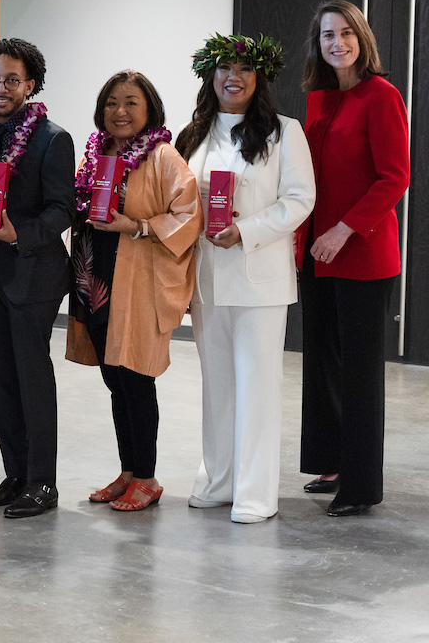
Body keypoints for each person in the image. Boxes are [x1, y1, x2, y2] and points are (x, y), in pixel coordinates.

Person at [176, 34, 315, 523]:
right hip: (206, 280)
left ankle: (256, 494)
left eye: (244, 71)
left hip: (258, 279)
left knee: (256, 387)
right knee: (216, 386)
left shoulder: (284, 132)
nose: (233, 78)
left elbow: (300, 200)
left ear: (259, 79)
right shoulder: (194, 134)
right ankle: (218, 480)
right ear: (210, 76)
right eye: (224, 69)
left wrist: (247, 230)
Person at [66, 70, 200, 512]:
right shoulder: (96, 154)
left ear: (150, 110)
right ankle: (128, 470)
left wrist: (138, 226)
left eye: (130, 103)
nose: (119, 112)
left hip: (137, 281)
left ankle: (147, 476)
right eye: (111, 103)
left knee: (136, 379)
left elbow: (188, 213)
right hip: (97, 281)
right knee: (113, 380)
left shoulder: (162, 157)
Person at [296, 0, 410, 517]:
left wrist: (344, 229)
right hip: (317, 252)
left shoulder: (382, 96)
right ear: (317, 44)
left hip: (360, 252)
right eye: (327, 35)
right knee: (323, 362)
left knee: (360, 371)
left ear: (362, 39)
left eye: (346, 33)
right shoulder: (318, 99)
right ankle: (334, 461)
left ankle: (362, 485)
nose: (337, 43)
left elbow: (395, 177)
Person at [0, 38, 75, 519]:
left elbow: (62, 211)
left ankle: (42, 483)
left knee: (32, 379)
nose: (1, 88)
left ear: (30, 84)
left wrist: (15, 234)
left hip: (33, 277)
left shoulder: (53, 138)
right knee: (1, 380)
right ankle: (15, 475)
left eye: (11, 79)